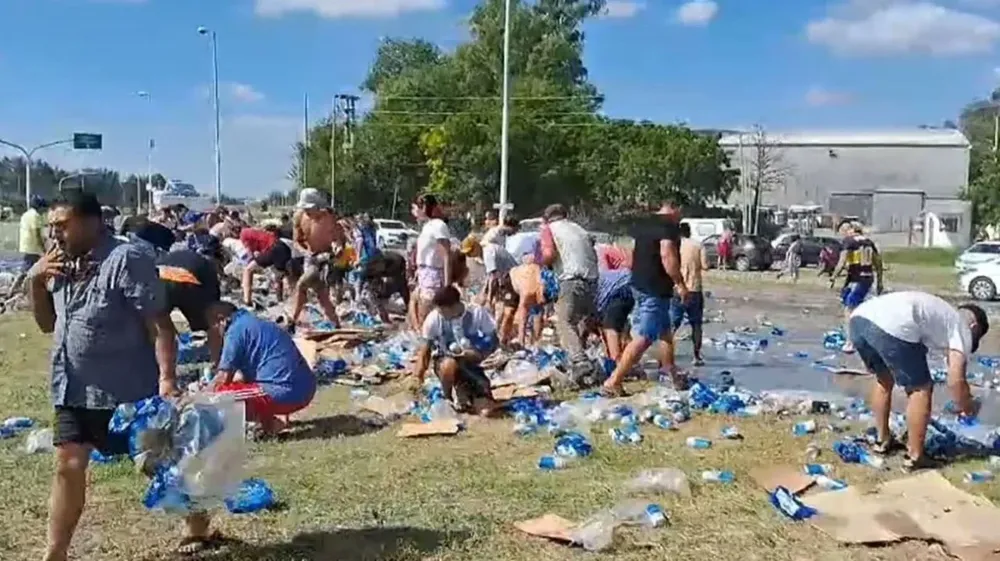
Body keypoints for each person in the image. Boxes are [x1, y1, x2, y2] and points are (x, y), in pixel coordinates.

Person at [28, 191, 220, 559]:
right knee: (68, 465)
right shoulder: (59, 264)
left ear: (92, 222)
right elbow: (46, 324)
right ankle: (55, 553)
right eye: (52, 227)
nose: (55, 235)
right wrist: (36, 283)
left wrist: (167, 380)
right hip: (73, 386)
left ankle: (197, 523)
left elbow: (160, 325)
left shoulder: (126, 258)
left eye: (63, 225)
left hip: (126, 390)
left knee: (158, 463)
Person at [849, 292, 988, 472]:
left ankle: (882, 440)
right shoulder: (962, 328)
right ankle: (915, 456)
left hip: (859, 320)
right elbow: (956, 381)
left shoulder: (942, 313)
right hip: (891, 326)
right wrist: (967, 407)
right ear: (974, 325)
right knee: (921, 389)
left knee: (884, 380)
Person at [602, 202, 688, 397]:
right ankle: (613, 380)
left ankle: (671, 373)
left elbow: (633, 254)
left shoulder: (644, 224)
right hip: (654, 288)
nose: (680, 217)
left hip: (639, 284)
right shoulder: (669, 227)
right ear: (675, 208)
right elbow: (667, 255)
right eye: (681, 212)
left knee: (665, 331)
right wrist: (680, 283)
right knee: (645, 336)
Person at [209, 302, 317, 436]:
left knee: (219, 397)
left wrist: (197, 396)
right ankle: (271, 423)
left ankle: (271, 424)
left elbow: (223, 380)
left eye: (212, 326)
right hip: (303, 388)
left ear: (221, 320)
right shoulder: (255, 323)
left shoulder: (235, 332)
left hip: (285, 392)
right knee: (244, 388)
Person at [411, 286, 501, 415]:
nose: (440, 313)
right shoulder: (433, 319)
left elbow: (492, 340)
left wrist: (479, 353)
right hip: (445, 362)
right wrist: (417, 377)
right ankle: (447, 397)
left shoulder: (476, 313)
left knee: (486, 412)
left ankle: (465, 392)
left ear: (454, 306)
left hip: (471, 365)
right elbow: (425, 351)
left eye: (443, 310)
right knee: (449, 364)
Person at [539, 204, 600, 386]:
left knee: (564, 321)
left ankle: (580, 362)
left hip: (571, 279)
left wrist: (541, 263)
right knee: (579, 321)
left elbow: (549, 254)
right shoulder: (579, 229)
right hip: (592, 280)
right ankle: (583, 366)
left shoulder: (548, 229)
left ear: (547, 218)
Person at [156, 245, 226, 365]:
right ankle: (217, 362)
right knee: (212, 320)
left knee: (162, 325)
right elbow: (215, 320)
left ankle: (165, 374)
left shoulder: (173, 256)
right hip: (190, 275)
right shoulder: (207, 267)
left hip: (161, 273)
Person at [290, 188, 343, 329]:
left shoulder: (330, 217)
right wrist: (305, 251)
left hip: (326, 257)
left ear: (317, 206)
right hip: (311, 257)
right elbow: (296, 241)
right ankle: (335, 323)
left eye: (309, 208)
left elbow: (338, 238)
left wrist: (337, 247)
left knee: (302, 284)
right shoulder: (299, 217)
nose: (307, 211)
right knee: (321, 293)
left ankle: (291, 321)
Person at [832, 222, 884, 353]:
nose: (842, 235)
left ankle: (851, 341)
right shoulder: (868, 242)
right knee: (848, 303)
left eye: (842, 231)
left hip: (858, 279)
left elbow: (842, 261)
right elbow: (878, 263)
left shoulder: (848, 242)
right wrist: (879, 282)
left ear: (849, 230)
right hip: (865, 277)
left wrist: (833, 276)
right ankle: (857, 334)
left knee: (850, 308)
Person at [410, 194, 452, 330]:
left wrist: (447, 286)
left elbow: (446, 255)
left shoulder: (439, 226)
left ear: (424, 207)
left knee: (427, 316)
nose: (413, 211)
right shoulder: (428, 226)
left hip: (433, 276)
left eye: (416, 207)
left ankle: (429, 346)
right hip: (424, 274)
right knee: (417, 311)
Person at [670, 222, 709, 366]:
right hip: (694, 289)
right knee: (696, 325)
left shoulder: (674, 246)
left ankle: (666, 356)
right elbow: (705, 266)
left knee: (673, 324)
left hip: (677, 289)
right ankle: (697, 356)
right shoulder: (698, 245)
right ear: (690, 232)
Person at [239, 225, 297, 306]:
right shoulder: (255, 231)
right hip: (283, 247)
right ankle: (284, 300)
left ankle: (247, 300)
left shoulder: (243, 235)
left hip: (274, 248)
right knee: (281, 275)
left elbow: (250, 255)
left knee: (248, 270)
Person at [594, 268, 634, 362]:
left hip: (620, 288)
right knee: (622, 330)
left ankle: (616, 362)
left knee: (610, 328)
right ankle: (629, 361)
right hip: (632, 283)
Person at [12, 195, 48, 295]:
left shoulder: (26, 214)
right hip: (33, 247)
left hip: (26, 245)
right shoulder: (35, 216)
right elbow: (37, 234)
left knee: (29, 269)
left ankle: (23, 289)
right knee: (27, 269)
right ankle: (14, 289)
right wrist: (42, 248)